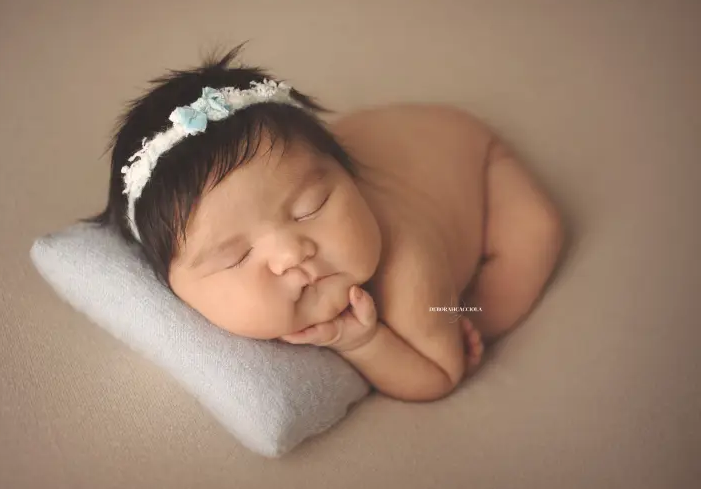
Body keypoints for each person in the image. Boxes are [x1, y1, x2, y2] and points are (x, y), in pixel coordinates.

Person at [85, 44, 565, 402]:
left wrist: (363, 341)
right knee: (282, 168)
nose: (292, 254)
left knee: (533, 236)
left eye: (310, 209)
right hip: (391, 139)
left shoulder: (406, 267)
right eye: (236, 256)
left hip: (473, 158)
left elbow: (439, 375)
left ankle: (469, 311)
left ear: (348, 179)